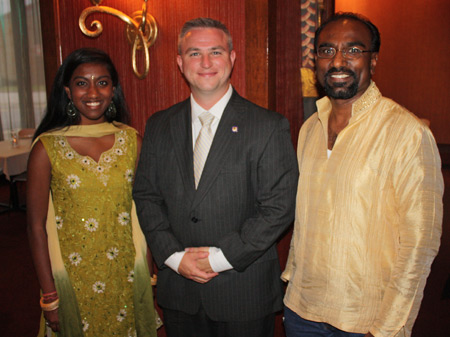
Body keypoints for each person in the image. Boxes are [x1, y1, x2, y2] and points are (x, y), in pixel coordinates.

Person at [133, 17, 298, 337]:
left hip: (243, 291)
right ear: (180, 62)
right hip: (179, 290)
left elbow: (279, 206)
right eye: (194, 53)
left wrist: (220, 259)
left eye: (216, 52)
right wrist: (173, 256)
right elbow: (146, 196)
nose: (206, 63)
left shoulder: (267, 126)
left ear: (232, 58)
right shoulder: (158, 126)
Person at [282, 12, 444, 337]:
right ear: (316, 61)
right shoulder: (309, 129)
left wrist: (387, 329)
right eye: (327, 51)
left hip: (365, 321)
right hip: (301, 309)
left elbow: (419, 245)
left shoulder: (407, 134)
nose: (338, 61)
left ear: (374, 61)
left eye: (353, 50)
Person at [27, 48, 157, 337]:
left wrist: (147, 275)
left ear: (113, 89)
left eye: (102, 82)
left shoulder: (132, 140)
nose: (93, 92)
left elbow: (144, 211)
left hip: (125, 271)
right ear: (67, 91)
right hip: (73, 277)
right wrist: (50, 296)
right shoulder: (46, 148)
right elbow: (36, 228)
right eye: (81, 83)